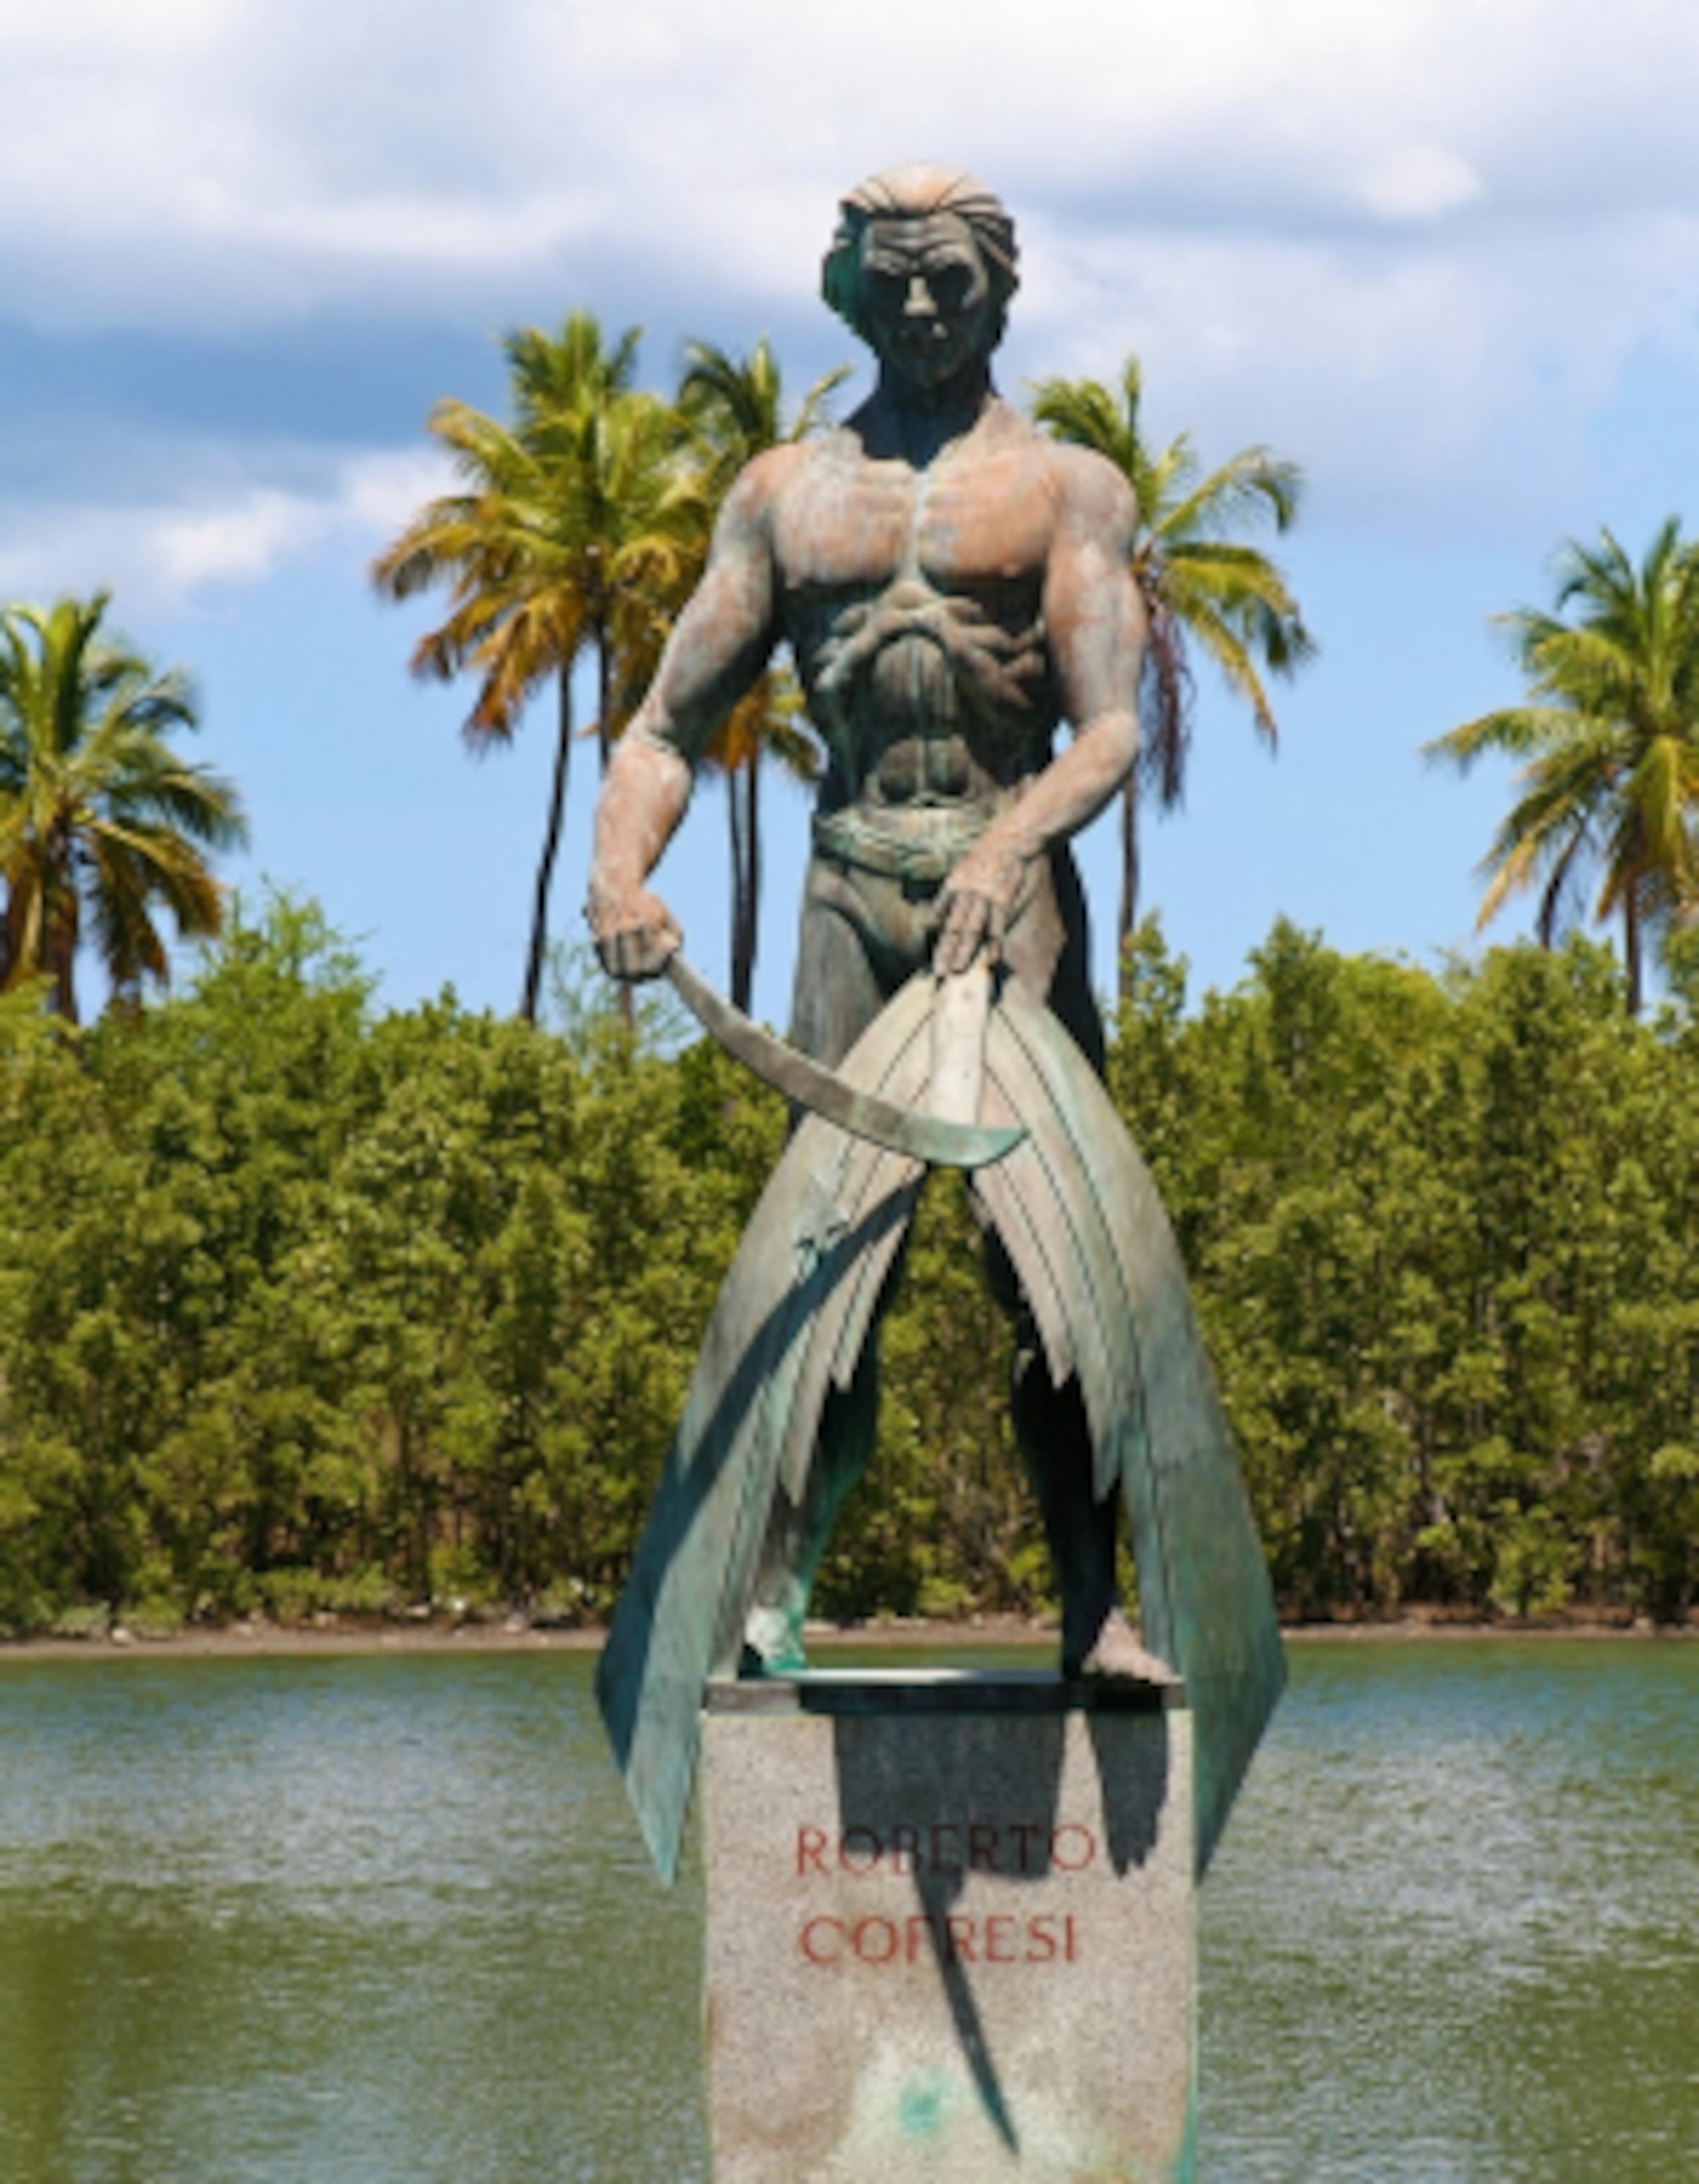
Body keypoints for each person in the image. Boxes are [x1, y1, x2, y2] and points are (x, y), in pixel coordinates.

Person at [588, 160, 1163, 1683]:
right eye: (892, 278)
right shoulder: (786, 495)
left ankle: (1097, 1606)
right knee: (829, 1255)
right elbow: (661, 727)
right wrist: (618, 873)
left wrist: (1009, 845)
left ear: (999, 289)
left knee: (1052, 1268)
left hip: (1010, 888)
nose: (919, 305)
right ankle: (772, 1594)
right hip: (849, 886)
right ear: (844, 289)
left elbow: (1106, 731)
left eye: (949, 279)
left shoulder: (1064, 491)